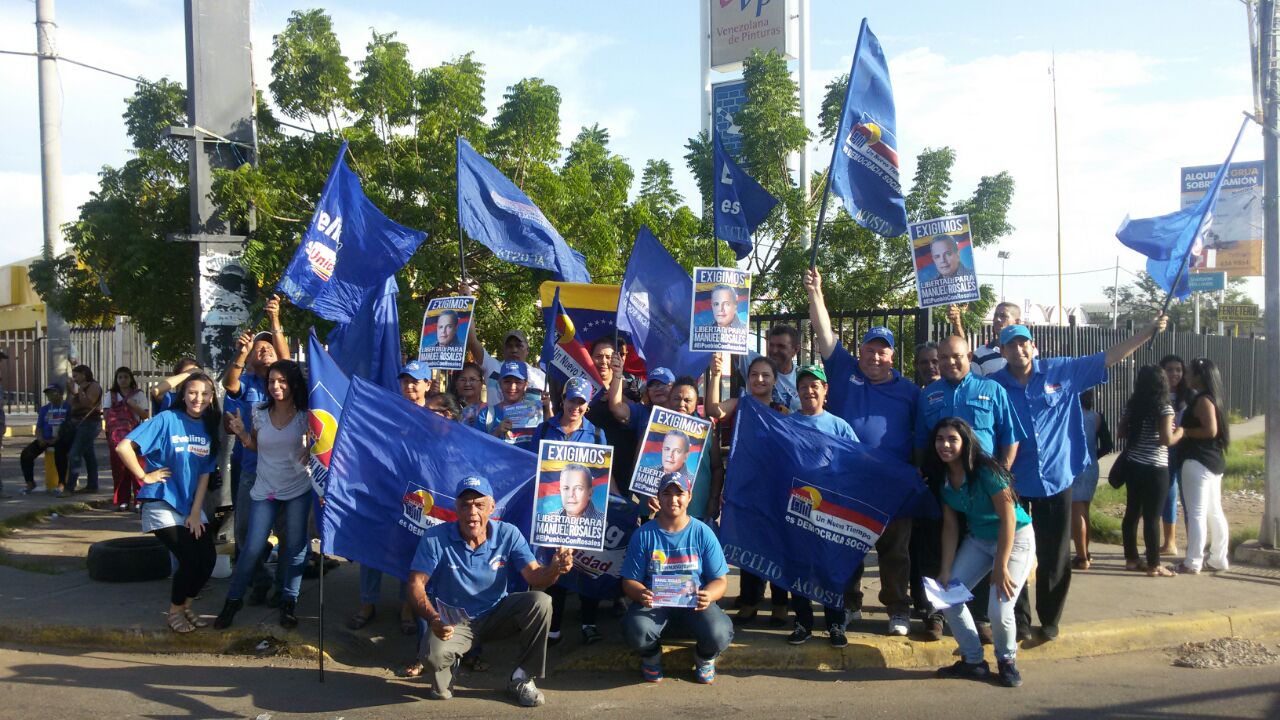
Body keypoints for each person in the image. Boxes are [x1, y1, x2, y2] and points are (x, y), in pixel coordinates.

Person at [988, 316, 1167, 640]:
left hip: (1057, 479)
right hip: (1015, 483)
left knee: (1055, 555)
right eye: (1011, 344)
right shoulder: (995, 385)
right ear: (1002, 351)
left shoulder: (1062, 371)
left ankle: (1051, 619)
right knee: (1015, 555)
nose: (1018, 349)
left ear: (1033, 346)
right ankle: (1021, 623)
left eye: (1023, 342)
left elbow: (1109, 356)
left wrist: (1146, 330)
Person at [805, 267, 918, 636]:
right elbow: (824, 333)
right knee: (848, 545)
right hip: (849, 481)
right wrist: (815, 292)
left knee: (895, 551)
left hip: (892, 483)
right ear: (862, 352)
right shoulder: (844, 371)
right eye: (870, 349)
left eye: (882, 352)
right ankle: (849, 603)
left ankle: (898, 609)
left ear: (892, 357)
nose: (875, 357)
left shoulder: (910, 391)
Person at [409, 476, 573, 707]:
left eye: (479, 504)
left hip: (497, 614)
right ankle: (449, 665)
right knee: (434, 664)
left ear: (492, 507)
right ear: (456, 508)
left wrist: (555, 568)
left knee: (541, 601)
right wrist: (434, 618)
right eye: (465, 504)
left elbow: (536, 578)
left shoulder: (508, 533)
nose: (472, 512)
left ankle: (522, 678)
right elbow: (416, 584)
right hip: (453, 621)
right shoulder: (436, 537)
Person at [914, 334, 1025, 641]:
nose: (950, 362)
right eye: (944, 358)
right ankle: (935, 615)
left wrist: (1001, 476)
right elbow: (922, 441)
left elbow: (1010, 436)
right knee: (937, 548)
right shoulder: (929, 394)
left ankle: (981, 619)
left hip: (985, 488)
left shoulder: (991, 389)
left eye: (957, 356)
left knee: (986, 551)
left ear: (969, 356)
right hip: (945, 486)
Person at [926, 417, 1035, 688]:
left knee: (998, 609)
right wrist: (946, 569)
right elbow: (950, 527)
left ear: (965, 442)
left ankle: (1007, 660)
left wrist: (1000, 565)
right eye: (940, 439)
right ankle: (973, 661)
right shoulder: (942, 477)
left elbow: (1008, 518)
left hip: (1014, 539)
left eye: (952, 439)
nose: (945, 445)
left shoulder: (987, 470)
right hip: (979, 540)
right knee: (947, 596)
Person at [115, 372, 221, 633]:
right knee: (189, 558)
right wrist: (143, 476)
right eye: (193, 392)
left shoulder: (209, 426)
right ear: (183, 394)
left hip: (190, 505)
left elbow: (205, 474)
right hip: (161, 501)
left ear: (211, 397)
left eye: (205, 394)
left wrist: (196, 512)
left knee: (207, 559)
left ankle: (186, 606)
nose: (198, 398)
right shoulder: (166, 419)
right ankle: (174, 612)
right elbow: (123, 447)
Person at [215, 360, 315, 629]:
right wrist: (242, 434)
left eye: (282, 381)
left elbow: (321, 446)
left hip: (298, 490)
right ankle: (233, 601)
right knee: (251, 549)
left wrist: (314, 448)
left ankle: (288, 602)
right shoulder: (258, 411)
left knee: (295, 548)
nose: (276, 386)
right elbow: (256, 446)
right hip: (265, 490)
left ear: (293, 383)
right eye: (272, 381)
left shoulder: (306, 416)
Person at [350, 360, 438, 635]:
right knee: (372, 543)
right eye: (405, 380)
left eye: (416, 380)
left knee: (410, 549)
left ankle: (407, 606)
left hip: (417, 495)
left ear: (428, 384)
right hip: (386, 489)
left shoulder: (436, 417)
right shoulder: (389, 412)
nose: (410, 385)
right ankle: (367, 602)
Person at [621, 472, 732, 685]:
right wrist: (641, 593)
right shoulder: (644, 535)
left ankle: (704, 658)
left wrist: (708, 595)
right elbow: (629, 581)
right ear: (658, 497)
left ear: (689, 496)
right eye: (667, 493)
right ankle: (651, 657)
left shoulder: (703, 532)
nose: (673, 499)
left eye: (679, 493)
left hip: (695, 607)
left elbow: (720, 581)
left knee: (719, 632)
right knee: (635, 630)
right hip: (655, 607)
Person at [708, 352, 790, 626]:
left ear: (775, 381)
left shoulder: (783, 412)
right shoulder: (739, 404)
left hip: (775, 489)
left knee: (777, 546)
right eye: (754, 374)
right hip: (745, 487)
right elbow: (712, 410)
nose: (759, 379)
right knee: (749, 544)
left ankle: (780, 604)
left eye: (766, 375)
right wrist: (716, 374)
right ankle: (750, 600)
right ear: (747, 378)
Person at [783, 365, 860, 647]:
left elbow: (856, 463)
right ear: (797, 392)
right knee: (798, 566)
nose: (809, 390)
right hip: (796, 507)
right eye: (803, 386)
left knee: (831, 568)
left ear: (825, 390)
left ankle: (835, 623)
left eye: (815, 385)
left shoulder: (839, 426)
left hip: (831, 511)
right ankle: (803, 622)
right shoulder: (788, 424)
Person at [608, 362, 722, 520]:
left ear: (696, 403)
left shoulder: (707, 429)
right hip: (656, 511)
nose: (682, 403)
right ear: (671, 398)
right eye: (677, 398)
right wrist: (645, 496)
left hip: (695, 511)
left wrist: (714, 499)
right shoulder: (653, 425)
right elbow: (638, 468)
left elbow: (717, 467)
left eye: (687, 400)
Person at [1117, 366, 1181, 577]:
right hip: (1156, 468)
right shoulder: (1164, 408)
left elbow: (1121, 432)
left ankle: (1131, 559)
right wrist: (1181, 431)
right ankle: (1154, 564)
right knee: (1152, 517)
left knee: (1132, 513)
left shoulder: (1133, 406)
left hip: (1134, 465)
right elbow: (1166, 440)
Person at [1174, 358, 1231, 575]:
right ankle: (1218, 557)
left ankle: (1193, 561)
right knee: (1214, 511)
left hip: (1197, 461)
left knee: (1197, 513)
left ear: (1200, 376)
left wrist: (1185, 432)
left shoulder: (1202, 400)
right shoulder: (1212, 398)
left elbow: (1210, 431)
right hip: (1212, 462)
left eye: (1189, 372)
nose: (1186, 376)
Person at [1069, 389, 1112, 571]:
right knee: (1085, 510)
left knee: (1077, 512)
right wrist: (1094, 456)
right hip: (1092, 466)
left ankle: (1081, 556)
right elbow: (1108, 445)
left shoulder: (1070, 416)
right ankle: (1086, 551)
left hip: (1074, 466)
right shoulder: (1097, 417)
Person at [472, 361, 551, 449]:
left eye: (518, 382)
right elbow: (476, 448)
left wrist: (547, 409)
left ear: (526, 385)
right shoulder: (486, 415)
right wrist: (497, 432)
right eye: (507, 382)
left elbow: (551, 439)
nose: (512, 387)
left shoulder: (537, 412)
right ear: (499, 384)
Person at [104, 367, 149, 510]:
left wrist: (132, 405)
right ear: (116, 380)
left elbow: (145, 415)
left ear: (131, 379)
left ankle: (139, 499)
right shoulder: (110, 395)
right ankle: (121, 500)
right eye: (120, 377)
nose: (123, 380)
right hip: (116, 438)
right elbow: (106, 415)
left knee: (137, 468)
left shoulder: (138, 395)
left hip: (135, 437)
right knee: (119, 470)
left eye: (126, 377)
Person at [466, 325, 547, 406]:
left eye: (519, 346)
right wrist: (467, 313)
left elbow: (548, 407)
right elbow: (472, 341)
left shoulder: (540, 376)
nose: (514, 350)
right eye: (509, 346)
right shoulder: (492, 367)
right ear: (503, 350)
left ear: (527, 350)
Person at [1159, 354, 1191, 557]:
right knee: (1168, 495)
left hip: (1186, 450)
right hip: (1165, 450)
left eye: (1178, 369)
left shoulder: (1190, 396)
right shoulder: (1158, 396)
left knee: (1189, 498)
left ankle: (1193, 543)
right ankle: (1169, 542)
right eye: (1170, 369)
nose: (1174, 374)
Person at [55, 364, 103, 496]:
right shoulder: (78, 389)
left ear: (83, 374)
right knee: (89, 455)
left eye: (76, 376)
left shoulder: (93, 386)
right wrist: (74, 392)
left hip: (90, 423)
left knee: (74, 454)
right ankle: (93, 484)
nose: (74, 379)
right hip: (78, 423)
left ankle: (69, 487)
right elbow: (74, 405)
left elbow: (88, 403)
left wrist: (80, 391)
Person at [737, 324, 802, 412]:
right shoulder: (755, 363)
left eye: (781, 346)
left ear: (795, 349)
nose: (774, 351)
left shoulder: (802, 377)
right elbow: (733, 343)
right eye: (771, 345)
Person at [20, 384, 69, 494]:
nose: (50, 396)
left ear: (61, 394)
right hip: (46, 439)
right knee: (26, 454)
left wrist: (58, 438)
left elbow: (70, 426)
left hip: (61, 439)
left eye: (53, 393)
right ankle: (30, 483)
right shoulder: (44, 409)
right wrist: (40, 438)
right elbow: (39, 428)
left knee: (60, 454)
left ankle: (61, 483)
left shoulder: (67, 407)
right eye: (48, 394)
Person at [969, 302, 1023, 377]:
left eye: (1003, 316)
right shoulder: (980, 354)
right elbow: (977, 386)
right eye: (995, 315)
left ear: (1017, 322)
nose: (997, 319)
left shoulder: (1026, 353)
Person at [454, 362, 486, 426]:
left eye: (472, 379)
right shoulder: (449, 409)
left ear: (481, 383)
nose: (467, 384)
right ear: (456, 383)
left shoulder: (489, 412)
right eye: (463, 380)